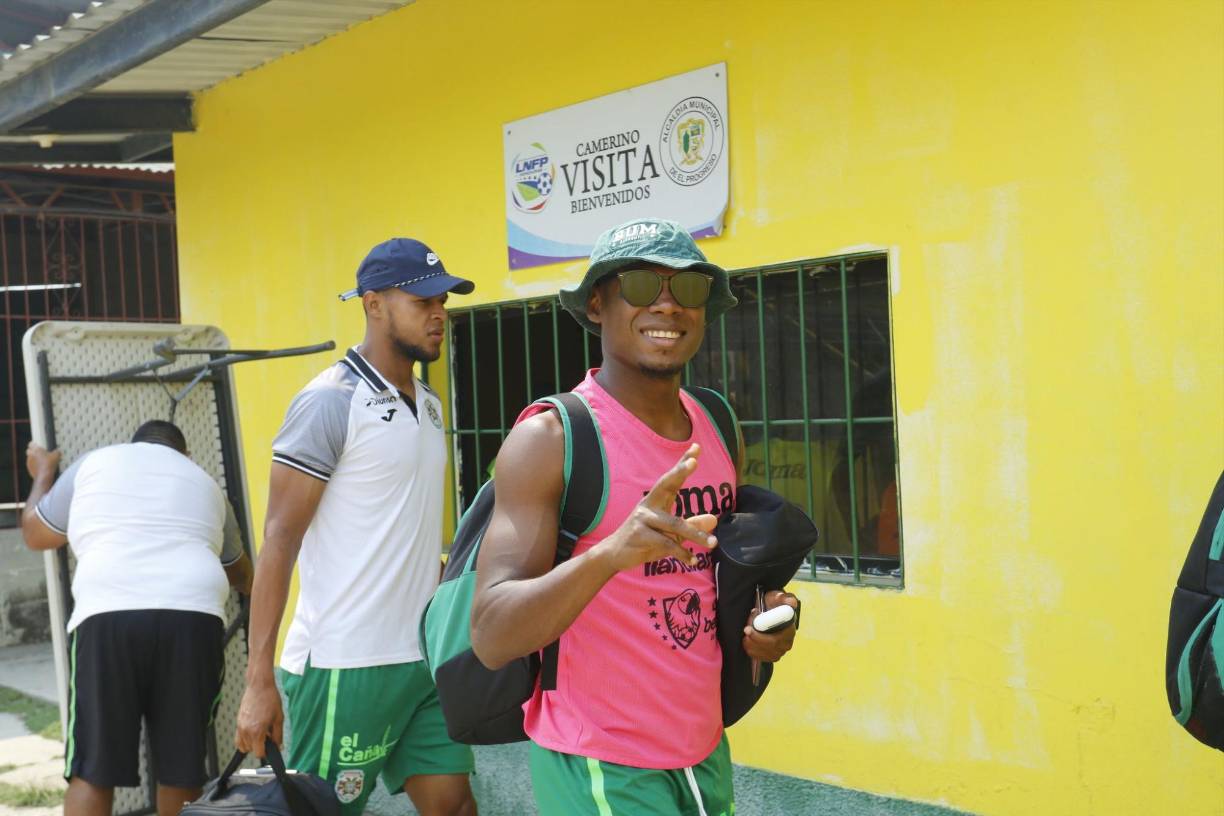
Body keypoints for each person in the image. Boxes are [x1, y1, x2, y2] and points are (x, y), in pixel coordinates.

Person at [470, 217, 799, 815]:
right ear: (597, 304)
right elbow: (492, 634)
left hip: (702, 746)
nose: (669, 305)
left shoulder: (717, 422)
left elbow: (708, 580)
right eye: (643, 285)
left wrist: (764, 621)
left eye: (689, 288)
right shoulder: (551, 438)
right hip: (598, 757)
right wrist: (611, 554)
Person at [234, 238, 478, 816]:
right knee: (322, 810)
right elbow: (279, 542)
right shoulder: (329, 402)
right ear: (373, 305)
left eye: (442, 298)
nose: (438, 312)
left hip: (421, 658)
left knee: (455, 806)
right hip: (345, 665)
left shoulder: (430, 403)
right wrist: (257, 679)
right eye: (422, 301)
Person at [21, 420, 254, 816]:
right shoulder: (205, 483)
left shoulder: (95, 463)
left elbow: (36, 534)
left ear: (134, 445)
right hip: (192, 619)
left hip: (108, 614)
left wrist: (43, 473)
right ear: (185, 455)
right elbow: (243, 576)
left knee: (93, 770)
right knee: (182, 769)